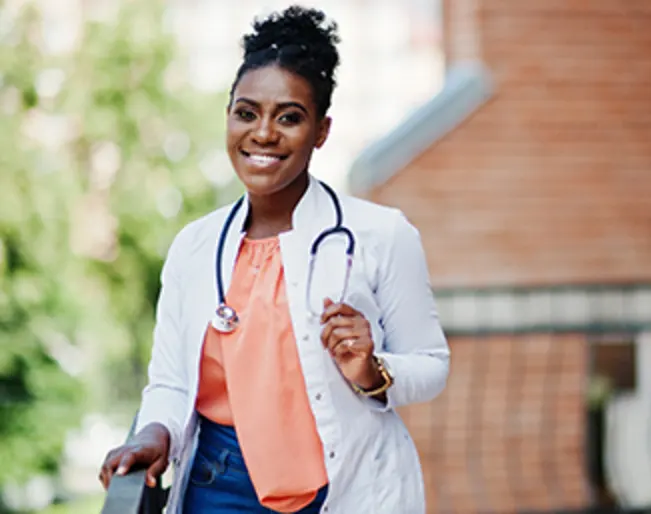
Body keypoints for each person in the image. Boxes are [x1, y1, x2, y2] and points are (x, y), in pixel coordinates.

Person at [98, 5, 449, 514]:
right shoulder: (194, 248)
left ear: (321, 131)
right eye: (247, 113)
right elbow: (171, 384)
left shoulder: (380, 234)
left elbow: (432, 366)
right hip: (218, 488)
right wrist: (155, 435)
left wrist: (372, 371)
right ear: (229, 117)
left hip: (349, 486)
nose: (263, 133)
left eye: (289, 117)